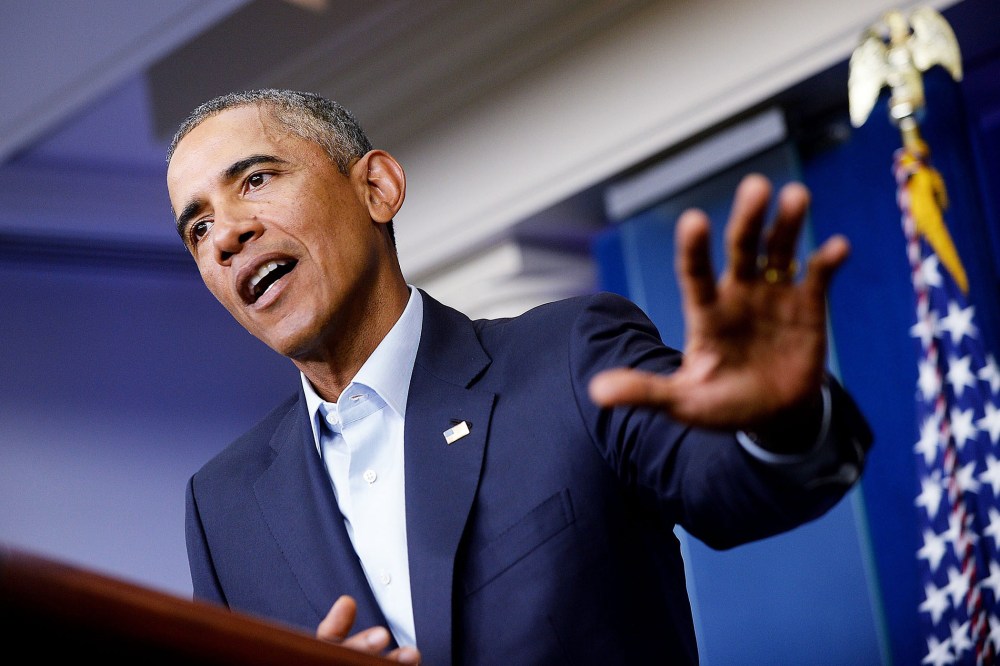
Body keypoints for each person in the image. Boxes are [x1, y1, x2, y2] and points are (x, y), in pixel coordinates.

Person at [166, 89, 872, 665]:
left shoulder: (569, 355)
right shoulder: (222, 508)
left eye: (256, 180)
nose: (225, 235)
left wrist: (779, 421)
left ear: (377, 188)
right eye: (197, 229)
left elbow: (734, 491)